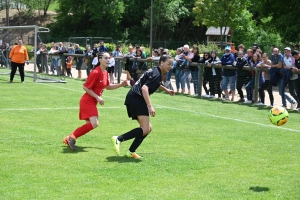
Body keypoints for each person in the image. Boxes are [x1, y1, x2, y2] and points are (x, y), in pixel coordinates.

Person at [111, 54, 175, 159]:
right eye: (168, 64)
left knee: (148, 128)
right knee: (145, 128)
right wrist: (150, 106)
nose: (170, 66)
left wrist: (167, 90)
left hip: (134, 97)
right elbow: (145, 88)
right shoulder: (156, 74)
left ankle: (131, 152)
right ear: (161, 62)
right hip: (137, 98)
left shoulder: (156, 71)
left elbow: (156, 83)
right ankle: (118, 138)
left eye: (171, 64)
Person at [62, 52, 128, 150]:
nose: (108, 60)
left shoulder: (105, 72)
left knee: (90, 124)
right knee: (94, 123)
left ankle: (69, 138)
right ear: (100, 60)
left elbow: (108, 86)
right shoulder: (96, 72)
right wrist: (97, 97)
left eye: (109, 58)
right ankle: (71, 137)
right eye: (105, 58)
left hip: (92, 101)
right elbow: (85, 87)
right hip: (87, 101)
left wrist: (120, 85)